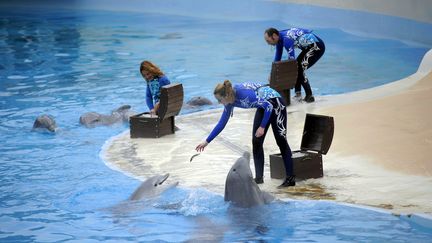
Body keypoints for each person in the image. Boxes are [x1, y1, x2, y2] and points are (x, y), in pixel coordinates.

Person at [195, 80, 295, 188]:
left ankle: (290, 178)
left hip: (276, 104)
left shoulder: (244, 94)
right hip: (263, 106)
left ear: (227, 95)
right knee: (256, 142)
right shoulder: (229, 102)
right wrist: (206, 141)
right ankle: (259, 178)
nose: (219, 102)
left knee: (281, 141)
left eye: (219, 100)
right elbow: (221, 123)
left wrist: (262, 126)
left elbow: (269, 106)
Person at [264, 27, 325, 103]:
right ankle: (298, 95)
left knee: (298, 68)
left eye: (268, 40)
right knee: (297, 67)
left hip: (317, 46)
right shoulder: (279, 39)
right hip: (309, 47)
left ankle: (309, 96)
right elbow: (277, 58)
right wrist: (272, 74)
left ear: (274, 36)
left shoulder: (286, 39)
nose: (267, 43)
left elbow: (292, 60)